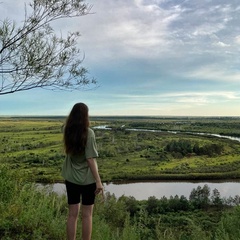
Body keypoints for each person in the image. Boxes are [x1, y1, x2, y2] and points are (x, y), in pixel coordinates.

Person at [61, 103, 103, 240]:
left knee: (72, 214)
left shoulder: (66, 130)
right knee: (87, 215)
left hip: (71, 178)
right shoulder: (89, 133)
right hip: (88, 180)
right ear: (86, 115)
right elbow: (90, 159)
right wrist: (98, 181)